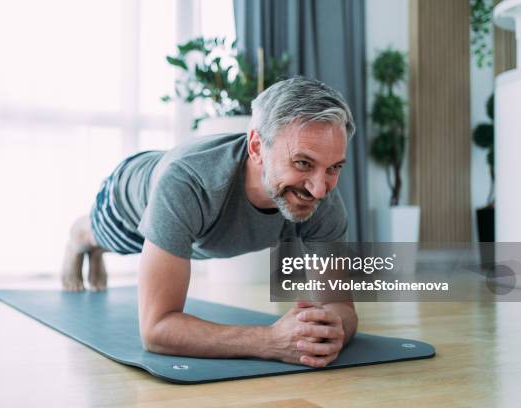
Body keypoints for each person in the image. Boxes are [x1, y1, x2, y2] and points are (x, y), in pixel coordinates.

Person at [61, 76, 358, 368]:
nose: (319, 189)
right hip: (130, 195)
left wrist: (329, 331)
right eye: (302, 163)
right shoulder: (187, 183)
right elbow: (157, 329)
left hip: (192, 222)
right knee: (106, 238)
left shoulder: (322, 198)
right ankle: (81, 238)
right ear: (256, 147)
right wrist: (270, 340)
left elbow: (340, 306)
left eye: (334, 167)